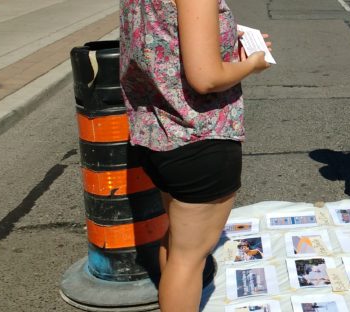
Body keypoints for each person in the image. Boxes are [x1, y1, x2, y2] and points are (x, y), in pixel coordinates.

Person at [119, 0, 271, 310]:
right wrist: (253, 63)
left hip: (157, 132)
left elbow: (164, 41)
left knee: (178, 244)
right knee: (188, 260)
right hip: (198, 136)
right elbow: (206, 78)